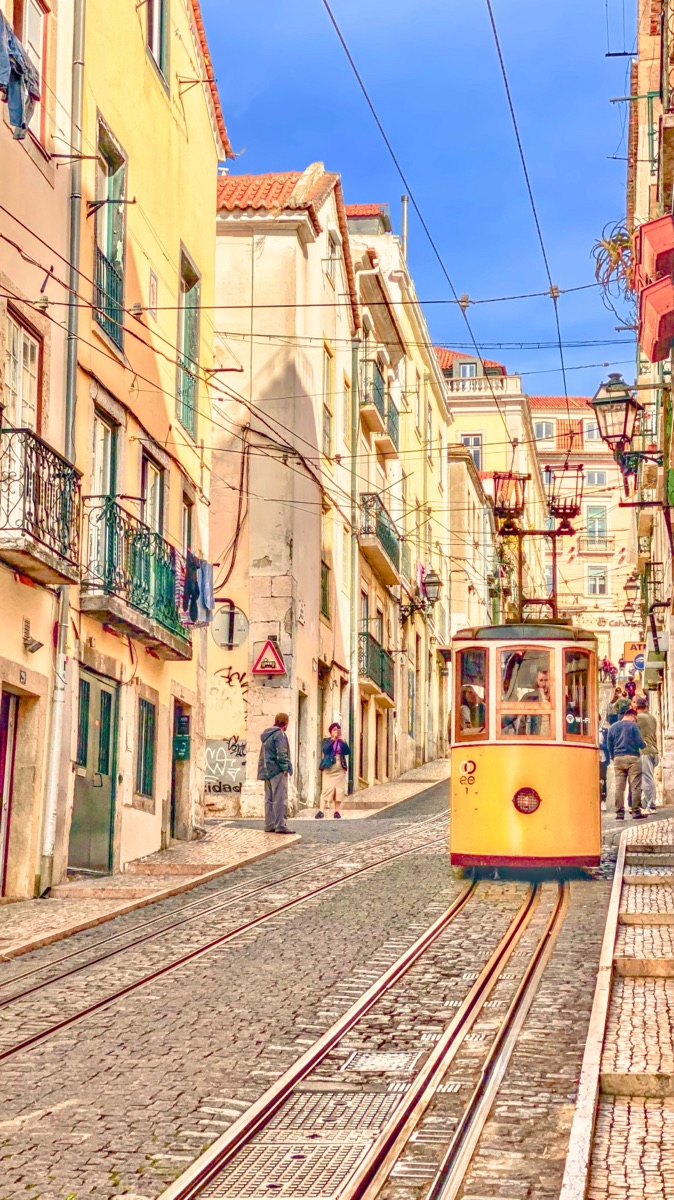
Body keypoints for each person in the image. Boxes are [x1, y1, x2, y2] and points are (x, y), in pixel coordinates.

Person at [607, 707, 647, 821]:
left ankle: (619, 814)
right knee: (635, 787)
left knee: (619, 788)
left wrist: (613, 756)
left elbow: (609, 744)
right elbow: (640, 743)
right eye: (635, 719)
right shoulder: (633, 726)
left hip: (618, 758)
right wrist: (644, 744)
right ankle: (636, 812)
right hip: (633, 758)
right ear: (632, 716)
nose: (635, 721)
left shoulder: (612, 727)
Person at [257, 712, 295, 834]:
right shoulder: (280, 734)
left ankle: (269, 824)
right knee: (280, 798)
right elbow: (281, 753)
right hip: (277, 770)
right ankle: (280, 825)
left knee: (269, 798)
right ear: (285, 723)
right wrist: (285, 768)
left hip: (266, 770)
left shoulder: (267, 735)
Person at [317, 721, 350, 819]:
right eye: (334, 730)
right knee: (326, 789)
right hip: (329, 768)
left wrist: (343, 742)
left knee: (338, 790)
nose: (336, 732)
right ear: (331, 732)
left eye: (337, 730)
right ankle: (321, 811)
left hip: (340, 768)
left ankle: (337, 811)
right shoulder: (326, 741)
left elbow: (348, 752)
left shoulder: (341, 741)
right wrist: (333, 740)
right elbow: (325, 750)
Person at [636, 694, 659, 812]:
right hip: (654, 751)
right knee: (646, 778)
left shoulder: (639, 718)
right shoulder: (652, 718)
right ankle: (645, 803)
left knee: (647, 779)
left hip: (645, 751)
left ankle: (651, 805)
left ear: (637, 707)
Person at [521, 668, 551, 735]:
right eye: (541, 680)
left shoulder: (559, 698)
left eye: (546, 680)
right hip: (535, 737)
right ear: (537, 681)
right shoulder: (529, 697)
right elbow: (521, 721)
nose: (543, 684)